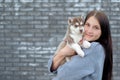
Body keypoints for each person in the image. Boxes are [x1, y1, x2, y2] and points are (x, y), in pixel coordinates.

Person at [48, 10, 113, 80]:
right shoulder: (81, 43)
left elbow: (63, 74)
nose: (89, 31)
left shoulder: (95, 48)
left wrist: (61, 58)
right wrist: (63, 53)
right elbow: (51, 67)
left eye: (96, 28)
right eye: (87, 25)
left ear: (103, 32)